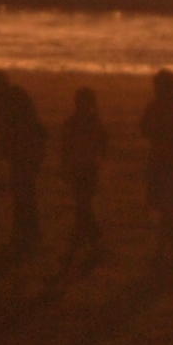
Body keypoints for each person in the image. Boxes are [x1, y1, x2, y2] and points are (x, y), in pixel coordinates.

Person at [0, 71, 49, 253]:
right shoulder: (12, 96)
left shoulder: (6, 100)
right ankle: (29, 235)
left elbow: (16, 128)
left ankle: (24, 237)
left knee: (23, 195)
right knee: (25, 194)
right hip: (26, 151)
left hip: (25, 152)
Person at [139, 69, 173, 266]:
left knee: (167, 210)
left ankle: (165, 250)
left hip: (170, 163)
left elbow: (145, 130)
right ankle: (169, 250)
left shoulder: (168, 108)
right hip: (166, 162)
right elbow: (144, 129)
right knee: (167, 210)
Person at [59, 87, 108, 263]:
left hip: (87, 167)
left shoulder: (84, 123)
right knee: (83, 204)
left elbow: (103, 146)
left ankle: (85, 237)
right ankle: (88, 237)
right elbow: (65, 147)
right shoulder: (78, 123)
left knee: (83, 204)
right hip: (79, 167)